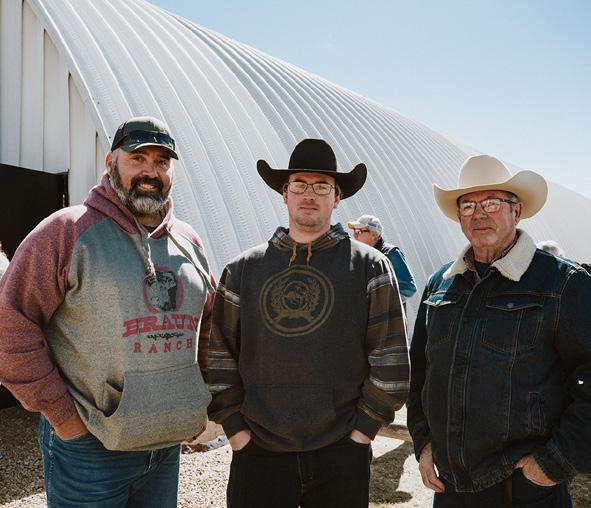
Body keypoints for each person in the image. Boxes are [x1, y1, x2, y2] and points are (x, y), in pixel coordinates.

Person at [0, 116, 215, 507]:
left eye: (162, 162)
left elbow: (211, 323)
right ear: (110, 162)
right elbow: (10, 321)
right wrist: (63, 417)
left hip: (166, 445)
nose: (151, 171)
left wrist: (195, 398)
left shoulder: (188, 241)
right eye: (138, 158)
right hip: (91, 449)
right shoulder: (67, 231)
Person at [207, 138, 410, 507]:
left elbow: (391, 358)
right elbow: (218, 357)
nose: (309, 195)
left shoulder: (370, 267)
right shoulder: (243, 270)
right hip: (258, 454)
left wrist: (362, 434)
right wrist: (236, 432)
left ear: (337, 197)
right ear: (285, 194)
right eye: (299, 185)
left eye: (322, 186)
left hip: (341, 453)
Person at [407, 154, 591, 507]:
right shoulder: (440, 284)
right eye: (467, 206)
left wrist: (553, 463)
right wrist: (423, 443)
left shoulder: (562, 283)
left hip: (525, 490)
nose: (479, 214)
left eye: (491, 203)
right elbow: (421, 374)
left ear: (516, 211)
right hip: (451, 489)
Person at [347, 214, 417, 302]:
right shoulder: (359, 256)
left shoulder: (390, 253)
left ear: (374, 235)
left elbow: (409, 287)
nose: (354, 235)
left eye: (359, 231)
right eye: (354, 231)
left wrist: (379, 302)